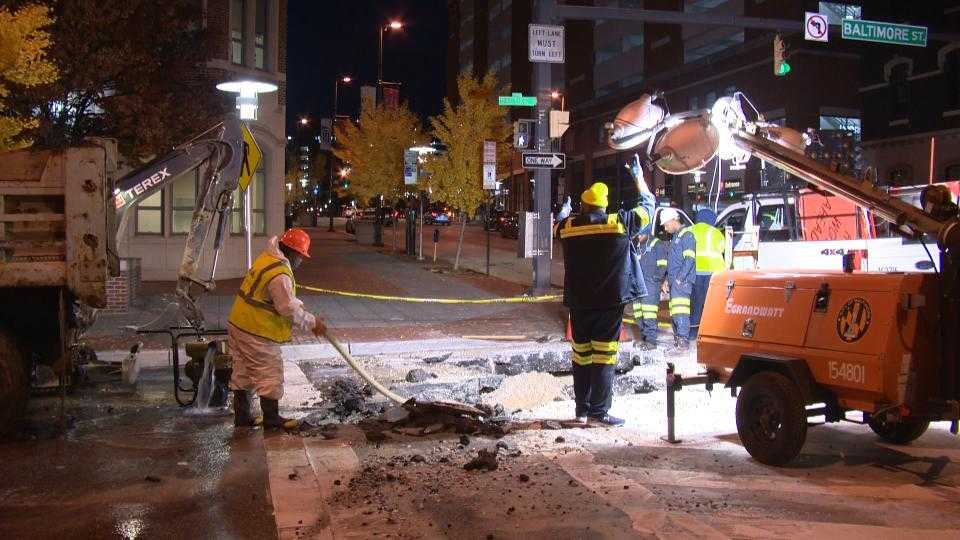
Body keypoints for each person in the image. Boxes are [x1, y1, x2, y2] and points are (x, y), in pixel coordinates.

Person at [554, 157, 655, 426]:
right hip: (610, 303)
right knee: (604, 357)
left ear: (584, 204)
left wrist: (564, 212)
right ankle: (599, 413)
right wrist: (639, 178)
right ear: (604, 204)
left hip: (579, 304)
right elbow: (648, 207)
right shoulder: (619, 222)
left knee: (581, 357)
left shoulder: (570, 227)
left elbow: (557, 226)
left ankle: (581, 411)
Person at [227, 228, 326, 429]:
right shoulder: (280, 274)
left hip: (239, 323)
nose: (301, 260)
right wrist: (312, 323)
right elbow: (287, 307)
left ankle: (242, 417)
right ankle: (271, 419)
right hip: (256, 330)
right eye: (300, 255)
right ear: (291, 251)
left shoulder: (268, 258)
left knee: (243, 371)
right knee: (269, 371)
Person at [689, 208, 726, 338]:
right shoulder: (715, 232)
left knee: (696, 304)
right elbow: (723, 248)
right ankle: (712, 331)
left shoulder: (690, 230)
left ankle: (693, 332)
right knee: (712, 303)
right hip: (713, 274)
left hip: (694, 273)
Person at [663, 208, 696, 351]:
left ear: (674, 220)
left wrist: (679, 279)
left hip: (681, 282)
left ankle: (683, 342)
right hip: (674, 282)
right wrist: (666, 280)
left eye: (666, 224)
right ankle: (679, 340)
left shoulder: (686, 235)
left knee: (681, 311)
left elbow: (690, 259)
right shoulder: (676, 237)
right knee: (675, 311)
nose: (665, 228)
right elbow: (672, 262)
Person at [632, 233, 668, 350]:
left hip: (650, 286)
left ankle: (651, 342)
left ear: (646, 232)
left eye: (640, 235)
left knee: (649, 315)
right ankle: (643, 339)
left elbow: (663, 265)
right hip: (638, 287)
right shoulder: (637, 245)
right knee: (638, 315)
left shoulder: (657, 244)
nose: (638, 237)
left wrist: (654, 279)